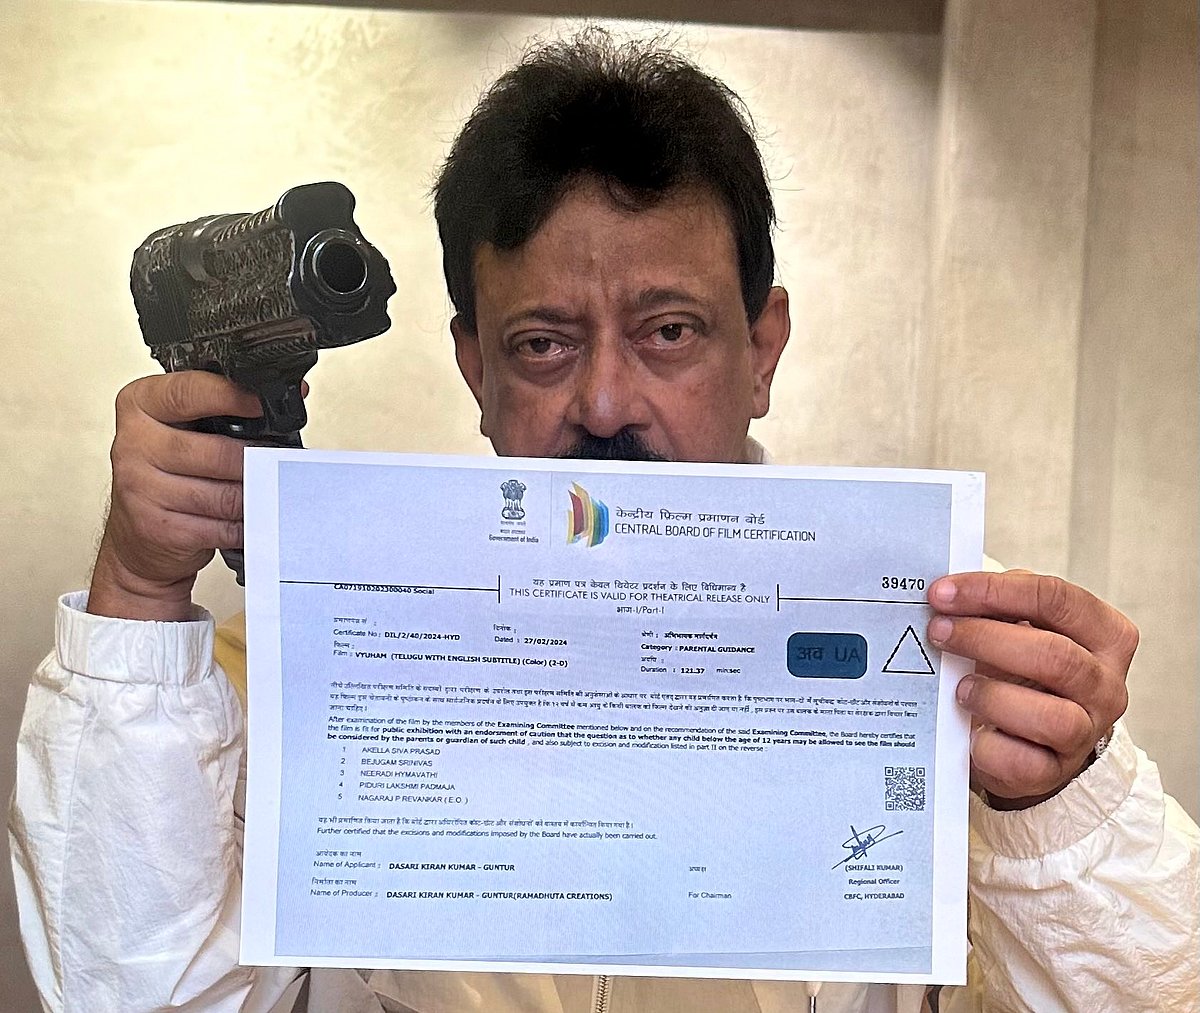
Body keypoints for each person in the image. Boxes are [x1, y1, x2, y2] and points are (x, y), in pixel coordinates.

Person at [10, 30, 1198, 1013]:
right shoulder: (306, 656)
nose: (608, 402)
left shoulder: (945, 646)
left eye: (669, 329)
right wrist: (140, 597)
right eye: (542, 342)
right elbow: (138, 997)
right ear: (475, 366)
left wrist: (1060, 802)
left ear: (763, 346)